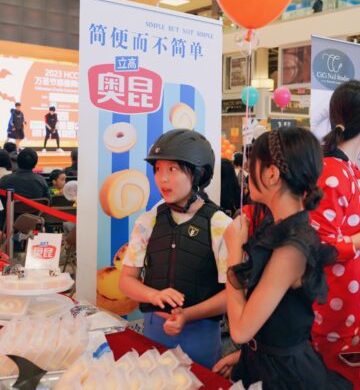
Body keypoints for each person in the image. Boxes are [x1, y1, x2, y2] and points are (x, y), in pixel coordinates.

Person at [217, 127, 351, 389]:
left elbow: (241, 330)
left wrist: (234, 249)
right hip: (263, 362)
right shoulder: (277, 228)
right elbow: (272, 313)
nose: (246, 170)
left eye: (252, 162)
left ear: (271, 173)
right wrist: (248, 353)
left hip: (285, 376)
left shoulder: (293, 246)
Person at [119, 129, 232, 368]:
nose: (162, 179)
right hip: (153, 331)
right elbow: (126, 281)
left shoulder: (220, 224)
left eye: (173, 169)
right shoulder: (147, 221)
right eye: (158, 169)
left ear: (199, 173)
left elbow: (232, 294)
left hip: (200, 336)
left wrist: (187, 315)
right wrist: (153, 295)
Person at [310, 80, 360, 388]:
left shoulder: (349, 170)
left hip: (348, 308)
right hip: (332, 312)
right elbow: (318, 246)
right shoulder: (331, 172)